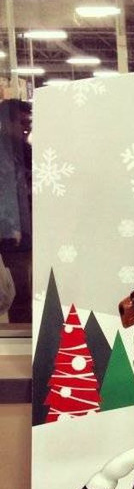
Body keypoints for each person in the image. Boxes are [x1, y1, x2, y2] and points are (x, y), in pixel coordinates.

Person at [0, 99, 33, 323]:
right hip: (11, 234)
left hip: (24, 229)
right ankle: (22, 325)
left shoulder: (23, 149)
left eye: (28, 122)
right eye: (21, 122)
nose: (26, 127)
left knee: (24, 285)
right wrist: (12, 226)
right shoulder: (6, 151)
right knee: (19, 290)